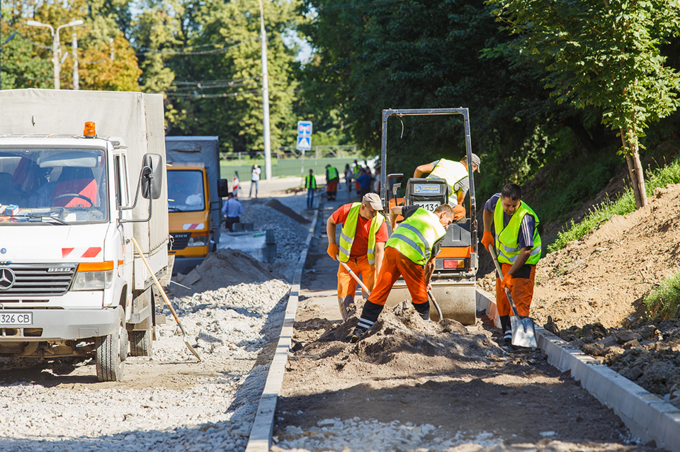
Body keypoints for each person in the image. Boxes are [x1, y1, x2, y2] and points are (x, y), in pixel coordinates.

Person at [351, 203, 456, 342]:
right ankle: (424, 331)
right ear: (442, 214)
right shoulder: (440, 232)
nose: (447, 226)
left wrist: (393, 226)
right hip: (410, 256)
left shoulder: (418, 210)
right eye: (448, 222)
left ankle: (360, 330)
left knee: (379, 291)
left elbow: (393, 210)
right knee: (420, 296)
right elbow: (430, 263)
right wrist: (426, 282)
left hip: (392, 247)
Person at [480, 183, 541, 345]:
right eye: (507, 205)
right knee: (503, 299)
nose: (510, 208)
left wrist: (510, 275)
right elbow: (487, 209)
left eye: (514, 205)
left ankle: (522, 341)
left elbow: (526, 251)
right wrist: (487, 231)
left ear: (520, 201)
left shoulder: (525, 218)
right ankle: (508, 331)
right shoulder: (495, 201)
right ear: (501, 199)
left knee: (520, 300)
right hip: (504, 260)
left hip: (523, 264)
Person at [326, 193, 389, 320]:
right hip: (347, 260)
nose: (375, 214)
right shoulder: (347, 211)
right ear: (363, 206)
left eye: (377, 211)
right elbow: (330, 222)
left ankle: (369, 320)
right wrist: (332, 244)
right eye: (372, 211)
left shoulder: (379, 222)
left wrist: (379, 274)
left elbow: (379, 251)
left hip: (367, 261)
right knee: (344, 291)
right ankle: (348, 321)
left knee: (371, 291)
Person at [413, 154, 481, 220]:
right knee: (461, 210)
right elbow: (459, 201)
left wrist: (414, 188)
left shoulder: (442, 162)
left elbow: (419, 169)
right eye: (474, 170)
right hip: (440, 206)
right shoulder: (465, 176)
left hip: (420, 199)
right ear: (472, 166)